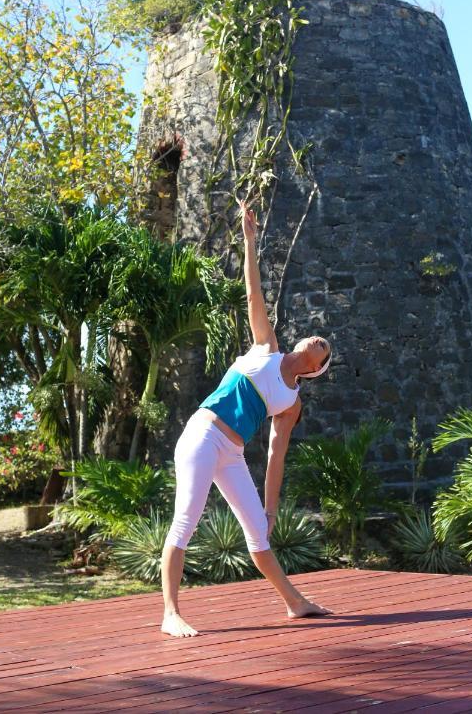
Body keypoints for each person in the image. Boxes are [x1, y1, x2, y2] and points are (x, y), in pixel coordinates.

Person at [160, 199, 333, 637]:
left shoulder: (291, 403)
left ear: (315, 369)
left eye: (323, 347)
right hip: (203, 434)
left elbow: (276, 455)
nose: (318, 339)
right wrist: (250, 240)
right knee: (186, 520)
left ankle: (295, 603)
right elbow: (254, 293)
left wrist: (271, 506)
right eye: (318, 338)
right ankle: (170, 612)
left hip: (231, 452)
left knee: (258, 531)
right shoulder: (266, 347)